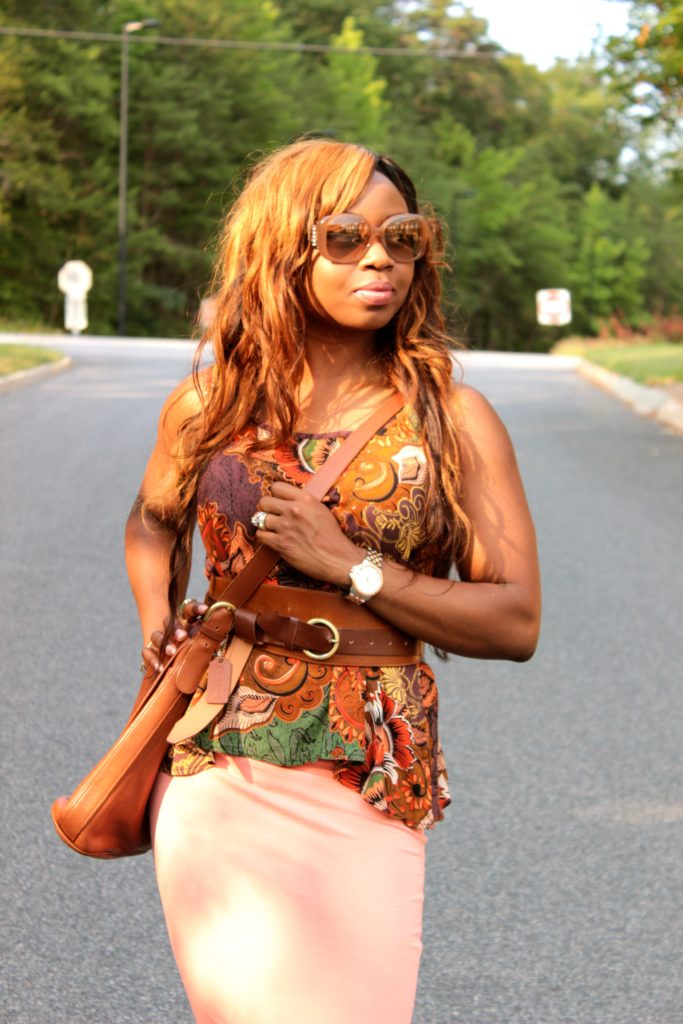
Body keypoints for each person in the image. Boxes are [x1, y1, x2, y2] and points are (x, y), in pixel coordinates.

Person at [124, 138, 541, 1024]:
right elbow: (152, 518)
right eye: (345, 236)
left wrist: (349, 566)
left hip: (367, 775)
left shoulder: (452, 420)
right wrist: (156, 618)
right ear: (286, 249)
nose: (380, 257)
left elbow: (514, 619)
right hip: (219, 764)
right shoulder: (212, 404)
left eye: (403, 236)